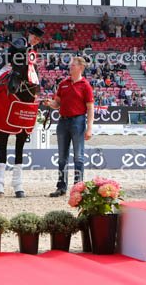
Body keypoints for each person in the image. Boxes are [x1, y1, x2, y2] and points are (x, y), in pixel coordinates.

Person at [43, 56, 94, 197]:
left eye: (73, 65)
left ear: (81, 67)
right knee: (62, 157)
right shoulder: (63, 84)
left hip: (78, 121)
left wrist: (89, 128)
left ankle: (78, 187)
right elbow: (57, 103)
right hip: (63, 121)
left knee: (78, 157)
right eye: (71, 65)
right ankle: (61, 187)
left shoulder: (85, 85)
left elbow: (90, 108)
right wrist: (50, 103)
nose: (70, 67)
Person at [0, 26, 44, 111]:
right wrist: (26, 50)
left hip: (19, 70)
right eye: (35, 38)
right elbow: (17, 48)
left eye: (38, 40)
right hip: (7, 66)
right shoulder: (22, 41)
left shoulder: (34, 48)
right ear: (30, 34)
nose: (36, 40)